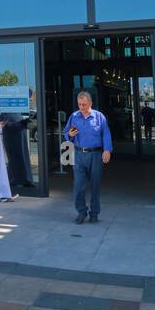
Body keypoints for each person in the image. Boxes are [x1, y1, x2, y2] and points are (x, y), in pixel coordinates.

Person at [65, 90, 112, 224]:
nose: (81, 107)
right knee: (78, 185)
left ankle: (94, 213)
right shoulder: (74, 116)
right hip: (79, 155)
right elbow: (66, 133)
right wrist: (70, 135)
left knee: (95, 185)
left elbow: (106, 134)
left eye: (84, 104)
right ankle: (81, 212)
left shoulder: (99, 117)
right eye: (79, 104)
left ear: (90, 103)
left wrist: (107, 150)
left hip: (96, 155)